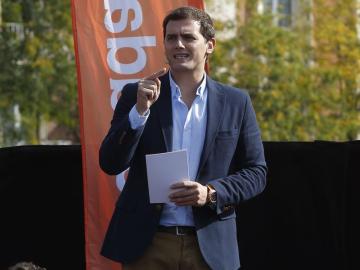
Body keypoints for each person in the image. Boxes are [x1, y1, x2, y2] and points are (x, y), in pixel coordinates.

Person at [99, 6, 267, 270]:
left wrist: (210, 193)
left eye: (188, 37)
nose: (178, 44)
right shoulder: (137, 95)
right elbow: (110, 162)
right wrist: (139, 113)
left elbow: (256, 173)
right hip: (147, 244)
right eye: (171, 37)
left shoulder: (236, 102)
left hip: (209, 247)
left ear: (210, 45)